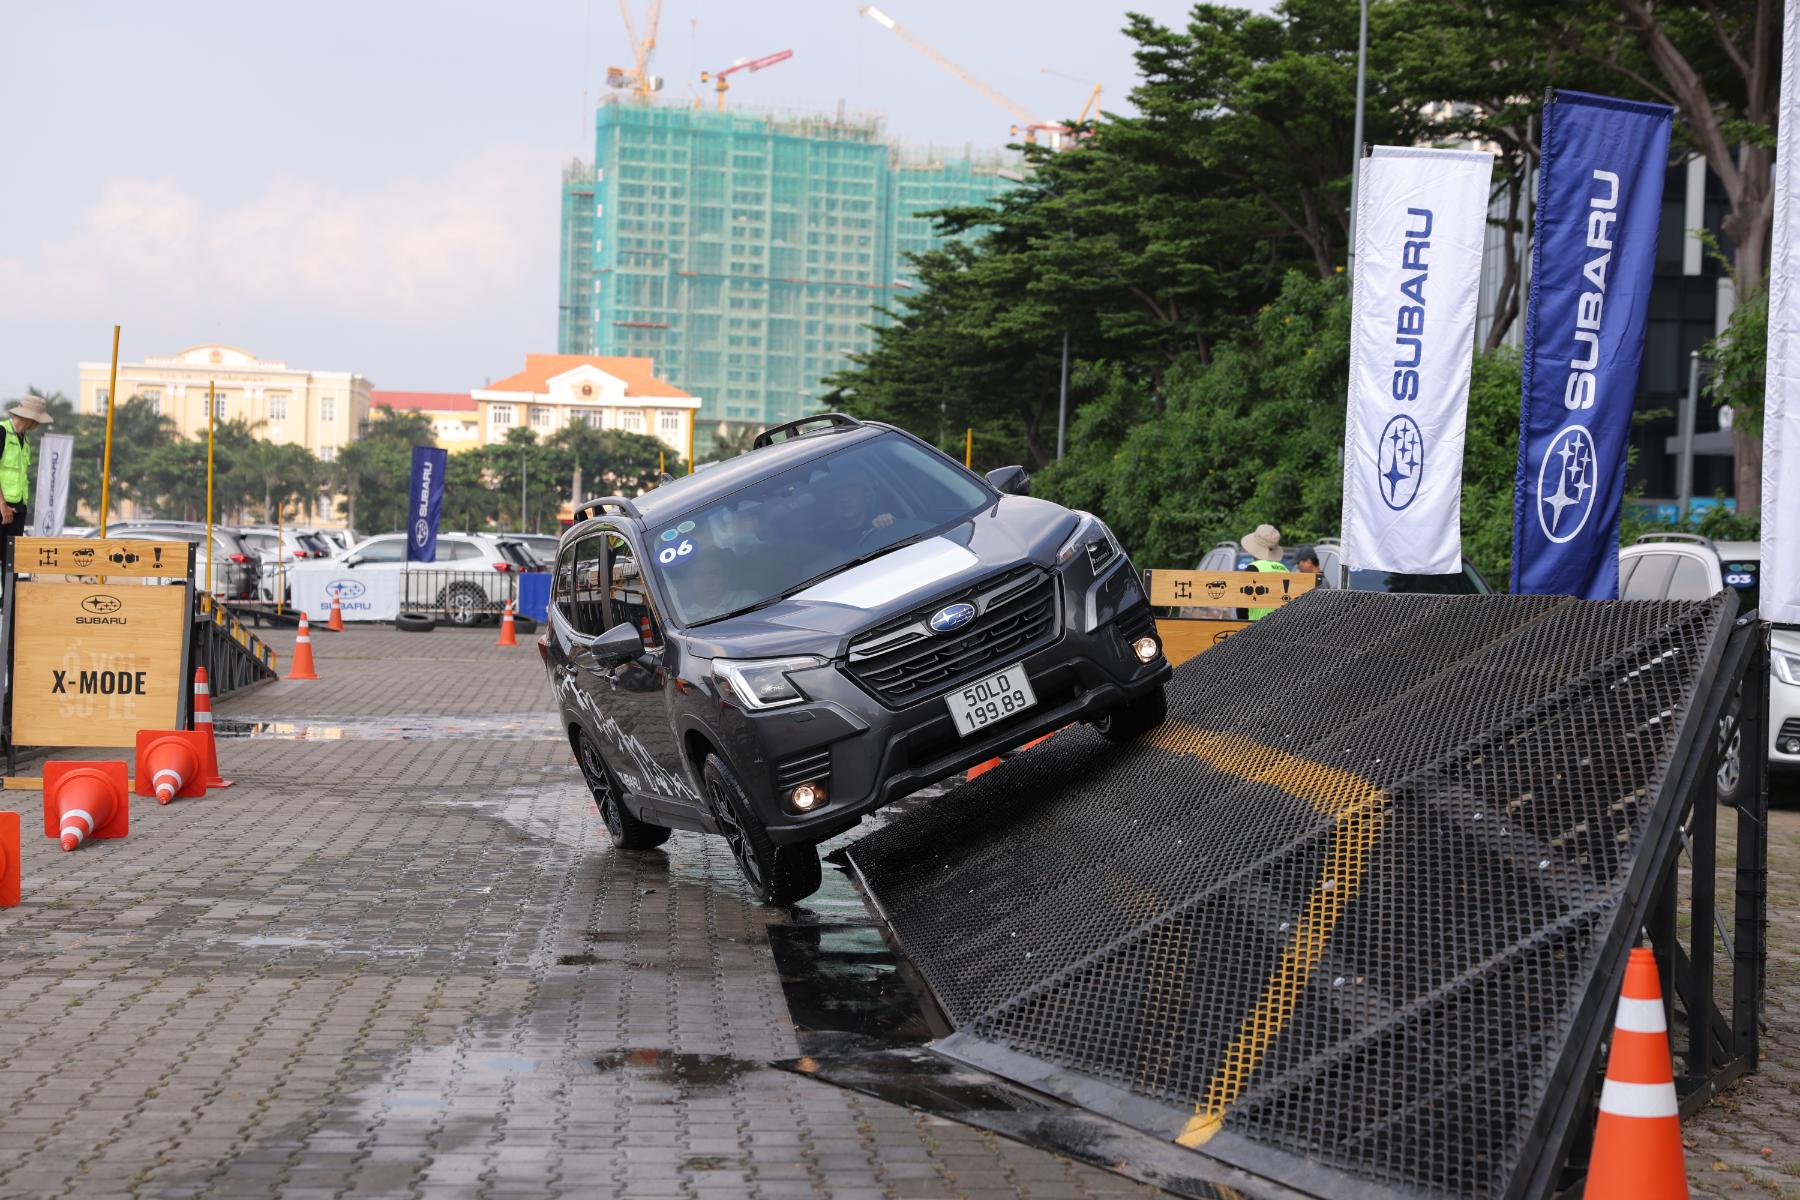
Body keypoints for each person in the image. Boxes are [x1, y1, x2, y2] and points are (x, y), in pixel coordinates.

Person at [0, 395, 52, 568]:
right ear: (30, 418)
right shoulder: (2, 432)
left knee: (12, 562)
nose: (38, 424)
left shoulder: (25, 440)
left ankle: (10, 596)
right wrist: (2, 505)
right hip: (2, 507)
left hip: (18, 509)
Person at [1240, 523, 1289, 620]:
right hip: (1282, 629)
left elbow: (1242, 607)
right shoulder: (1284, 569)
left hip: (1256, 628)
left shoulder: (1253, 568)